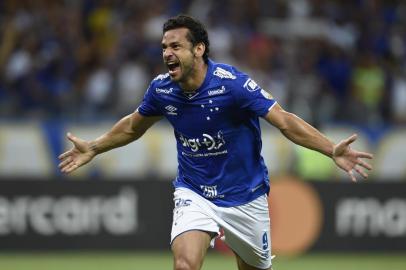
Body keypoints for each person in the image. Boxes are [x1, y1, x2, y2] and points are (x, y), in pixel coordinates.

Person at [58, 15, 373, 270]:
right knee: (184, 265)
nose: (167, 53)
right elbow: (132, 126)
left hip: (245, 196)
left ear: (199, 49)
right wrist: (95, 147)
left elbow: (285, 121)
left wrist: (331, 149)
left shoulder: (234, 86)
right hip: (195, 191)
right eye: (164, 47)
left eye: (176, 46)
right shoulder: (162, 90)